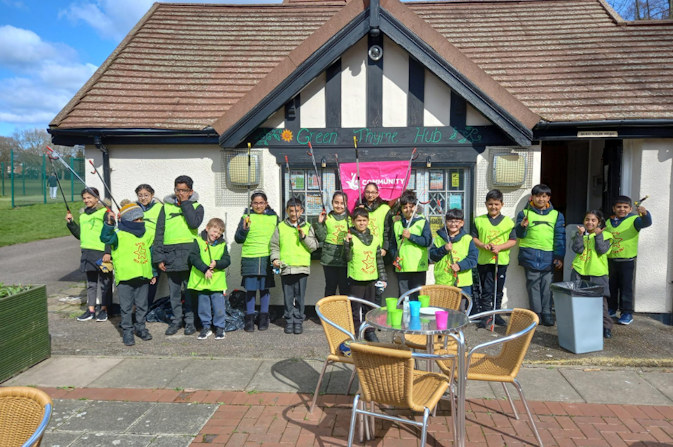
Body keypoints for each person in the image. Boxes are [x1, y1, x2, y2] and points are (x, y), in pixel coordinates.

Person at [153, 175, 204, 336]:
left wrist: (186, 203)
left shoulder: (197, 206)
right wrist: (159, 257)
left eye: (184, 190)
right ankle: (176, 321)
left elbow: (193, 223)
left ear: (190, 191)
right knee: (174, 293)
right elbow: (159, 233)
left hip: (189, 255)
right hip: (170, 256)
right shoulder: (166, 207)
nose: (180, 193)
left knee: (189, 291)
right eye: (178, 190)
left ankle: (190, 322)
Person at [100, 201, 155, 346]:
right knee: (126, 307)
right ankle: (127, 331)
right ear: (127, 220)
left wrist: (153, 272)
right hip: (125, 277)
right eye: (136, 220)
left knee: (142, 305)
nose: (139, 222)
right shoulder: (118, 235)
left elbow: (150, 253)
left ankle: (141, 328)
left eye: (141, 219)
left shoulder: (147, 234)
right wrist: (109, 225)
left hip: (143, 276)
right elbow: (105, 238)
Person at [515, 184, 565, 327]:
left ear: (548, 198)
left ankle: (547, 313)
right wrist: (522, 226)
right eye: (538, 196)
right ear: (533, 197)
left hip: (549, 256)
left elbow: (560, 237)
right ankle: (536, 314)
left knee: (548, 285)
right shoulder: (524, 213)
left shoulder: (557, 215)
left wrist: (559, 256)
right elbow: (518, 235)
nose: (541, 199)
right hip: (529, 255)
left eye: (544, 196)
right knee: (533, 285)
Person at [270, 198, 318, 335]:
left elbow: (313, 246)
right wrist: (275, 259)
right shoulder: (280, 226)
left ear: (301, 211)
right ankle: (289, 321)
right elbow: (274, 246)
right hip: (286, 268)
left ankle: (298, 321)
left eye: (297, 211)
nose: (294, 214)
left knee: (300, 297)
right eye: (291, 211)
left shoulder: (307, 226)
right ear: (287, 211)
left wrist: (304, 237)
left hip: (302, 267)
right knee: (288, 297)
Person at [66, 187, 113, 322]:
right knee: (91, 283)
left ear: (97, 198)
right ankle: (91, 309)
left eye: (89, 197)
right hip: (87, 253)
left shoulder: (105, 213)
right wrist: (71, 223)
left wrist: (107, 252)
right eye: (84, 198)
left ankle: (104, 309)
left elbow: (109, 234)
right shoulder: (83, 215)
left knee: (105, 282)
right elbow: (80, 235)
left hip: (101, 253)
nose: (86, 200)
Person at [234, 191, 278, 332]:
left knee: (265, 289)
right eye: (255, 203)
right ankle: (249, 319)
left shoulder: (274, 218)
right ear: (251, 204)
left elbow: (279, 237)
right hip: (250, 257)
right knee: (251, 290)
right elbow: (238, 239)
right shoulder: (246, 217)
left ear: (266, 203)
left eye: (261, 203)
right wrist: (244, 229)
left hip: (266, 257)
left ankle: (264, 318)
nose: (258, 205)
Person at [472, 189, 517, 327]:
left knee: (498, 289)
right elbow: (473, 238)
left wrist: (500, 247)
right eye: (490, 204)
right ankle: (486, 316)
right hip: (484, 261)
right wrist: (483, 245)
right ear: (486, 204)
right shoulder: (479, 221)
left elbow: (513, 240)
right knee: (486, 289)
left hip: (501, 261)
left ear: (501, 204)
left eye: (496, 204)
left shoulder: (508, 222)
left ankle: (496, 314)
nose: (493, 207)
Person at [605, 196, 652, 325]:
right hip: (610, 260)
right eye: (619, 207)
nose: (622, 209)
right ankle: (611, 308)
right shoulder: (609, 222)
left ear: (630, 209)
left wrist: (645, 214)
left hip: (627, 261)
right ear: (614, 208)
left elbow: (646, 223)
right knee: (611, 287)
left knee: (626, 288)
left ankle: (626, 312)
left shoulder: (635, 220)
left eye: (625, 207)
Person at [344, 207, 386, 342]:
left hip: (371, 279)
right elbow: (346, 258)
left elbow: (379, 260)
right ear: (353, 222)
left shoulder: (374, 239)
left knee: (370, 308)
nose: (361, 223)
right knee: (355, 310)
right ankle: (355, 334)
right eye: (358, 220)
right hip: (356, 279)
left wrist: (383, 278)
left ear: (368, 221)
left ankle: (370, 332)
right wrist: (346, 244)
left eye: (364, 220)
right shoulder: (350, 238)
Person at [571, 210, 614, 339]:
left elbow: (602, 250)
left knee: (600, 302)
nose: (589, 222)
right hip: (580, 271)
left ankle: (606, 327)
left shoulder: (606, 235)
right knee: (580, 301)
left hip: (597, 273)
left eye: (593, 220)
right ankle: (585, 326)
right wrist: (580, 235)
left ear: (599, 222)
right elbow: (577, 249)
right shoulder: (581, 234)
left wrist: (598, 235)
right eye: (587, 219)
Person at [188, 218, 231, 340]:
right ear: (207, 228)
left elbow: (227, 260)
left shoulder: (222, 244)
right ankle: (206, 327)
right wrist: (205, 269)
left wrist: (217, 263)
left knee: (219, 307)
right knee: (203, 306)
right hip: (201, 281)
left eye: (219, 233)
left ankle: (220, 328)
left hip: (216, 282)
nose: (216, 235)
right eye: (214, 231)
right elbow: (193, 257)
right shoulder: (198, 241)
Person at [389, 189, 432, 300]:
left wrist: (411, 237)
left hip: (418, 266)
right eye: (405, 207)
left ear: (416, 207)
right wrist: (395, 257)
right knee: (404, 297)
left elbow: (427, 241)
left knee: (418, 297)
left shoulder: (422, 221)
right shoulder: (397, 223)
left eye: (411, 206)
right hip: (402, 266)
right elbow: (393, 244)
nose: (408, 210)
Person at [430, 208, 478, 297]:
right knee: (443, 308)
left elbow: (473, 259)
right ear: (446, 222)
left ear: (462, 223)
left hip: (462, 283)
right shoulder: (438, 239)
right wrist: (444, 249)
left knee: (461, 309)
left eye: (457, 221)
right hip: (443, 281)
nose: (453, 224)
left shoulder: (467, 239)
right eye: (450, 221)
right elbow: (432, 256)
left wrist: (460, 266)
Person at [358, 182, 393, 305]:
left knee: (378, 287)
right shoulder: (360, 209)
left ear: (378, 193)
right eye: (367, 192)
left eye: (373, 192)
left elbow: (388, 230)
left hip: (379, 252)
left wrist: (385, 248)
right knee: (366, 286)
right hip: (363, 251)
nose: (370, 194)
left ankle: (376, 312)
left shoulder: (385, 209)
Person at [315, 191, 350, 297]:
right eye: (336, 202)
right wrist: (319, 223)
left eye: (342, 203)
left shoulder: (350, 219)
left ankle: (344, 313)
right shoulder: (327, 218)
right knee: (330, 287)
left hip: (345, 259)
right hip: (329, 260)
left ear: (346, 204)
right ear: (332, 203)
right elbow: (321, 237)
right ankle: (328, 313)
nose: (339, 206)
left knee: (345, 288)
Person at [135, 184, 162, 309]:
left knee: (153, 278)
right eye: (140, 195)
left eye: (146, 195)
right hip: (139, 248)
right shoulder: (134, 208)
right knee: (140, 280)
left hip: (154, 248)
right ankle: (138, 307)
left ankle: (147, 307)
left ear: (152, 195)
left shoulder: (159, 208)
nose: (143, 198)